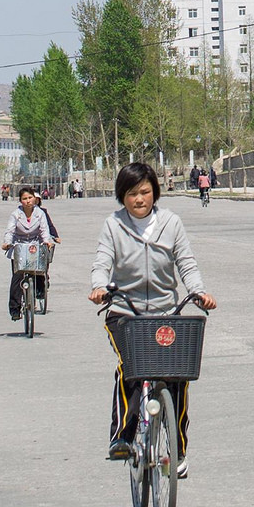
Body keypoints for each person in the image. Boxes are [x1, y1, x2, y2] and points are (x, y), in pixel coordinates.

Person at [88, 163, 217, 479]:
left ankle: (178, 450)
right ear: (122, 196)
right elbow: (102, 261)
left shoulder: (171, 222)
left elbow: (186, 263)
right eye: (132, 193)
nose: (139, 199)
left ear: (155, 193)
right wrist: (99, 287)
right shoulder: (113, 225)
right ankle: (122, 436)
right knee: (130, 368)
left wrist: (199, 292)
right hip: (125, 312)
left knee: (177, 377)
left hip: (165, 313)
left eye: (145, 192)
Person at [1, 187, 54, 321]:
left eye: (30, 198)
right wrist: (7, 243)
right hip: (19, 245)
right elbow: (10, 231)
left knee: (40, 270)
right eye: (25, 199)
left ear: (35, 199)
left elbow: (44, 230)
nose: (28, 201)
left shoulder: (40, 213)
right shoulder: (15, 214)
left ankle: (40, 290)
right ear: (20, 201)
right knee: (17, 277)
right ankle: (15, 309)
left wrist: (47, 241)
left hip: (35, 244)